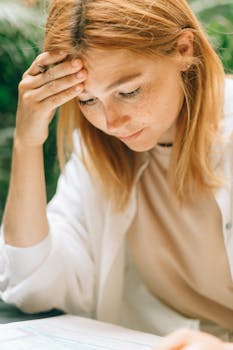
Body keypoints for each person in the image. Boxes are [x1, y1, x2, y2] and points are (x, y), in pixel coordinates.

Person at [0, 0, 233, 348]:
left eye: (128, 91)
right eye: (88, 100)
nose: (110, 122)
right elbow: (32, 286)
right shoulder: (101, 154)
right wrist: (27, 144)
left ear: (184, 49)